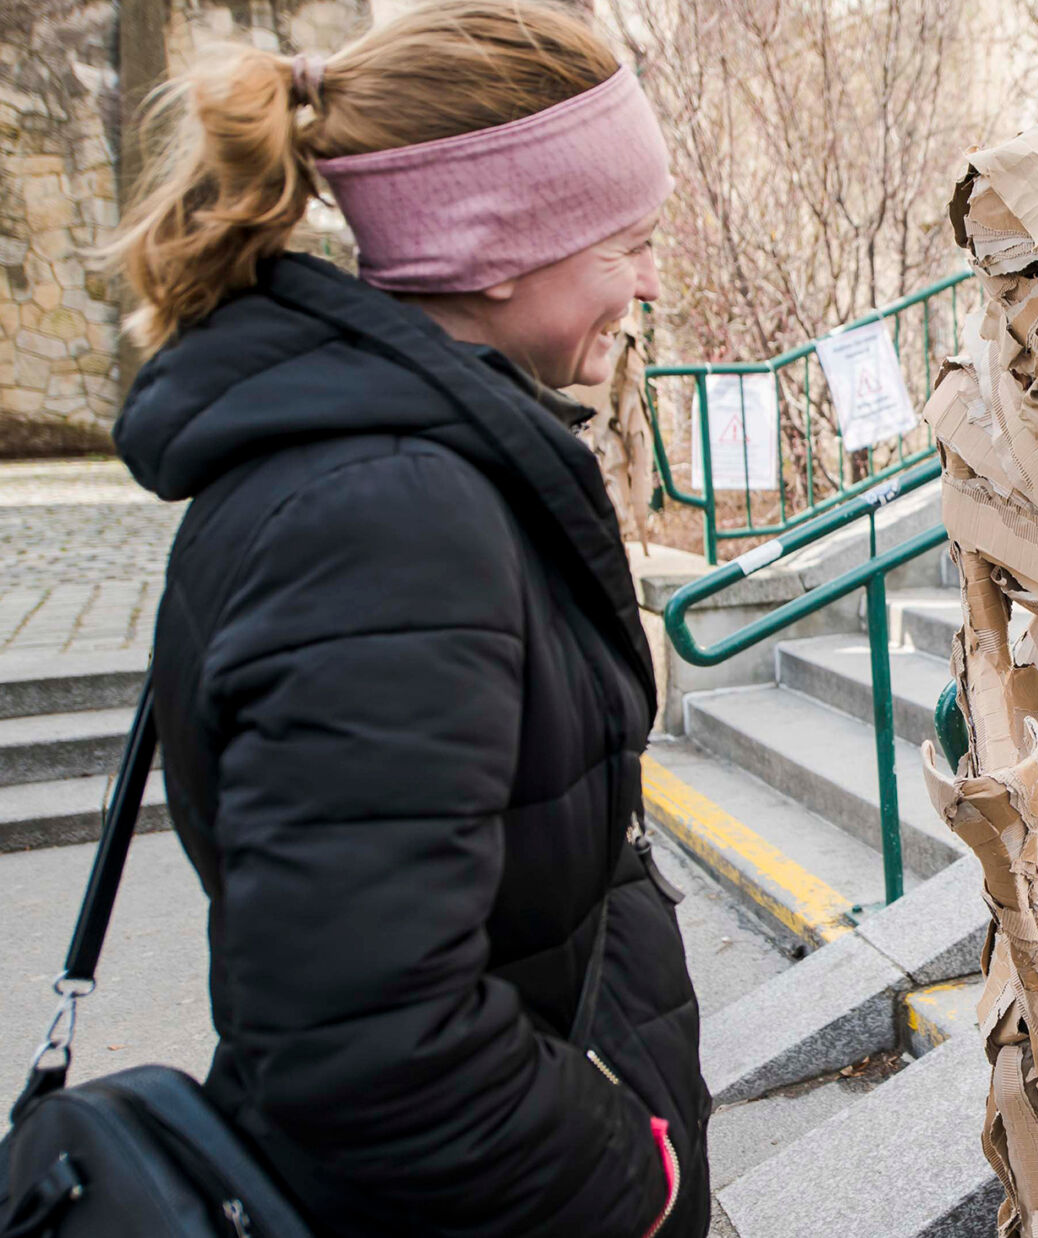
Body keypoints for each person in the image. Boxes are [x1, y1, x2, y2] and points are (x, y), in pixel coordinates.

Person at [107, 3, 707, 1235]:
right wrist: (629, 1184)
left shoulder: (394, 467)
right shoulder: (387, 515)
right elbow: (370, 1040)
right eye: (624, 242)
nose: (648, 281)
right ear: (495, 243)